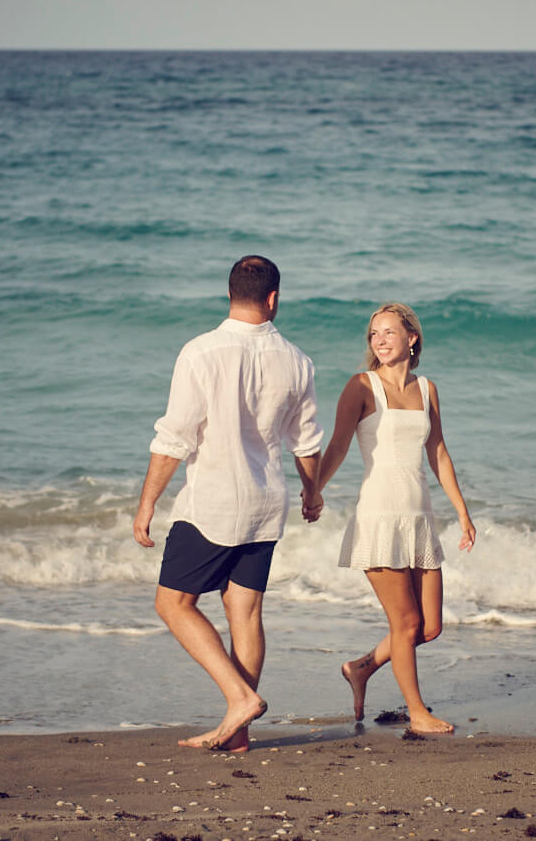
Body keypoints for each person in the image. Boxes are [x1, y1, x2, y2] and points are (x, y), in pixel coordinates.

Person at [134, 255, 324, 752]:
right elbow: (305, 442)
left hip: (214, 504)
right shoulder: (298, 360)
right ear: (274, 298)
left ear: (229, 293)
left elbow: (175, 436)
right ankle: (239, 734)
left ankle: (239, 699)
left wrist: (146, 503)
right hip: (267, 503)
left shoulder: (200, 352)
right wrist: (312, 492)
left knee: (172, 603)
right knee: (246, 612)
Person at [315, 302, 476, 735]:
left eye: (388, 332)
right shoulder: (361, 386)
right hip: (380, 516)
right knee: (404, 624)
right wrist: (315, 489)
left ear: (412, 338)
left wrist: (462, 512)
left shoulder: (427, 389)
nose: (380, 341)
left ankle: (362, 668)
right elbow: (338, 447)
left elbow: (438, 453)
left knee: (429, 625)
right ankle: (417, 712)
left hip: (419, 516)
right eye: (373, 334)